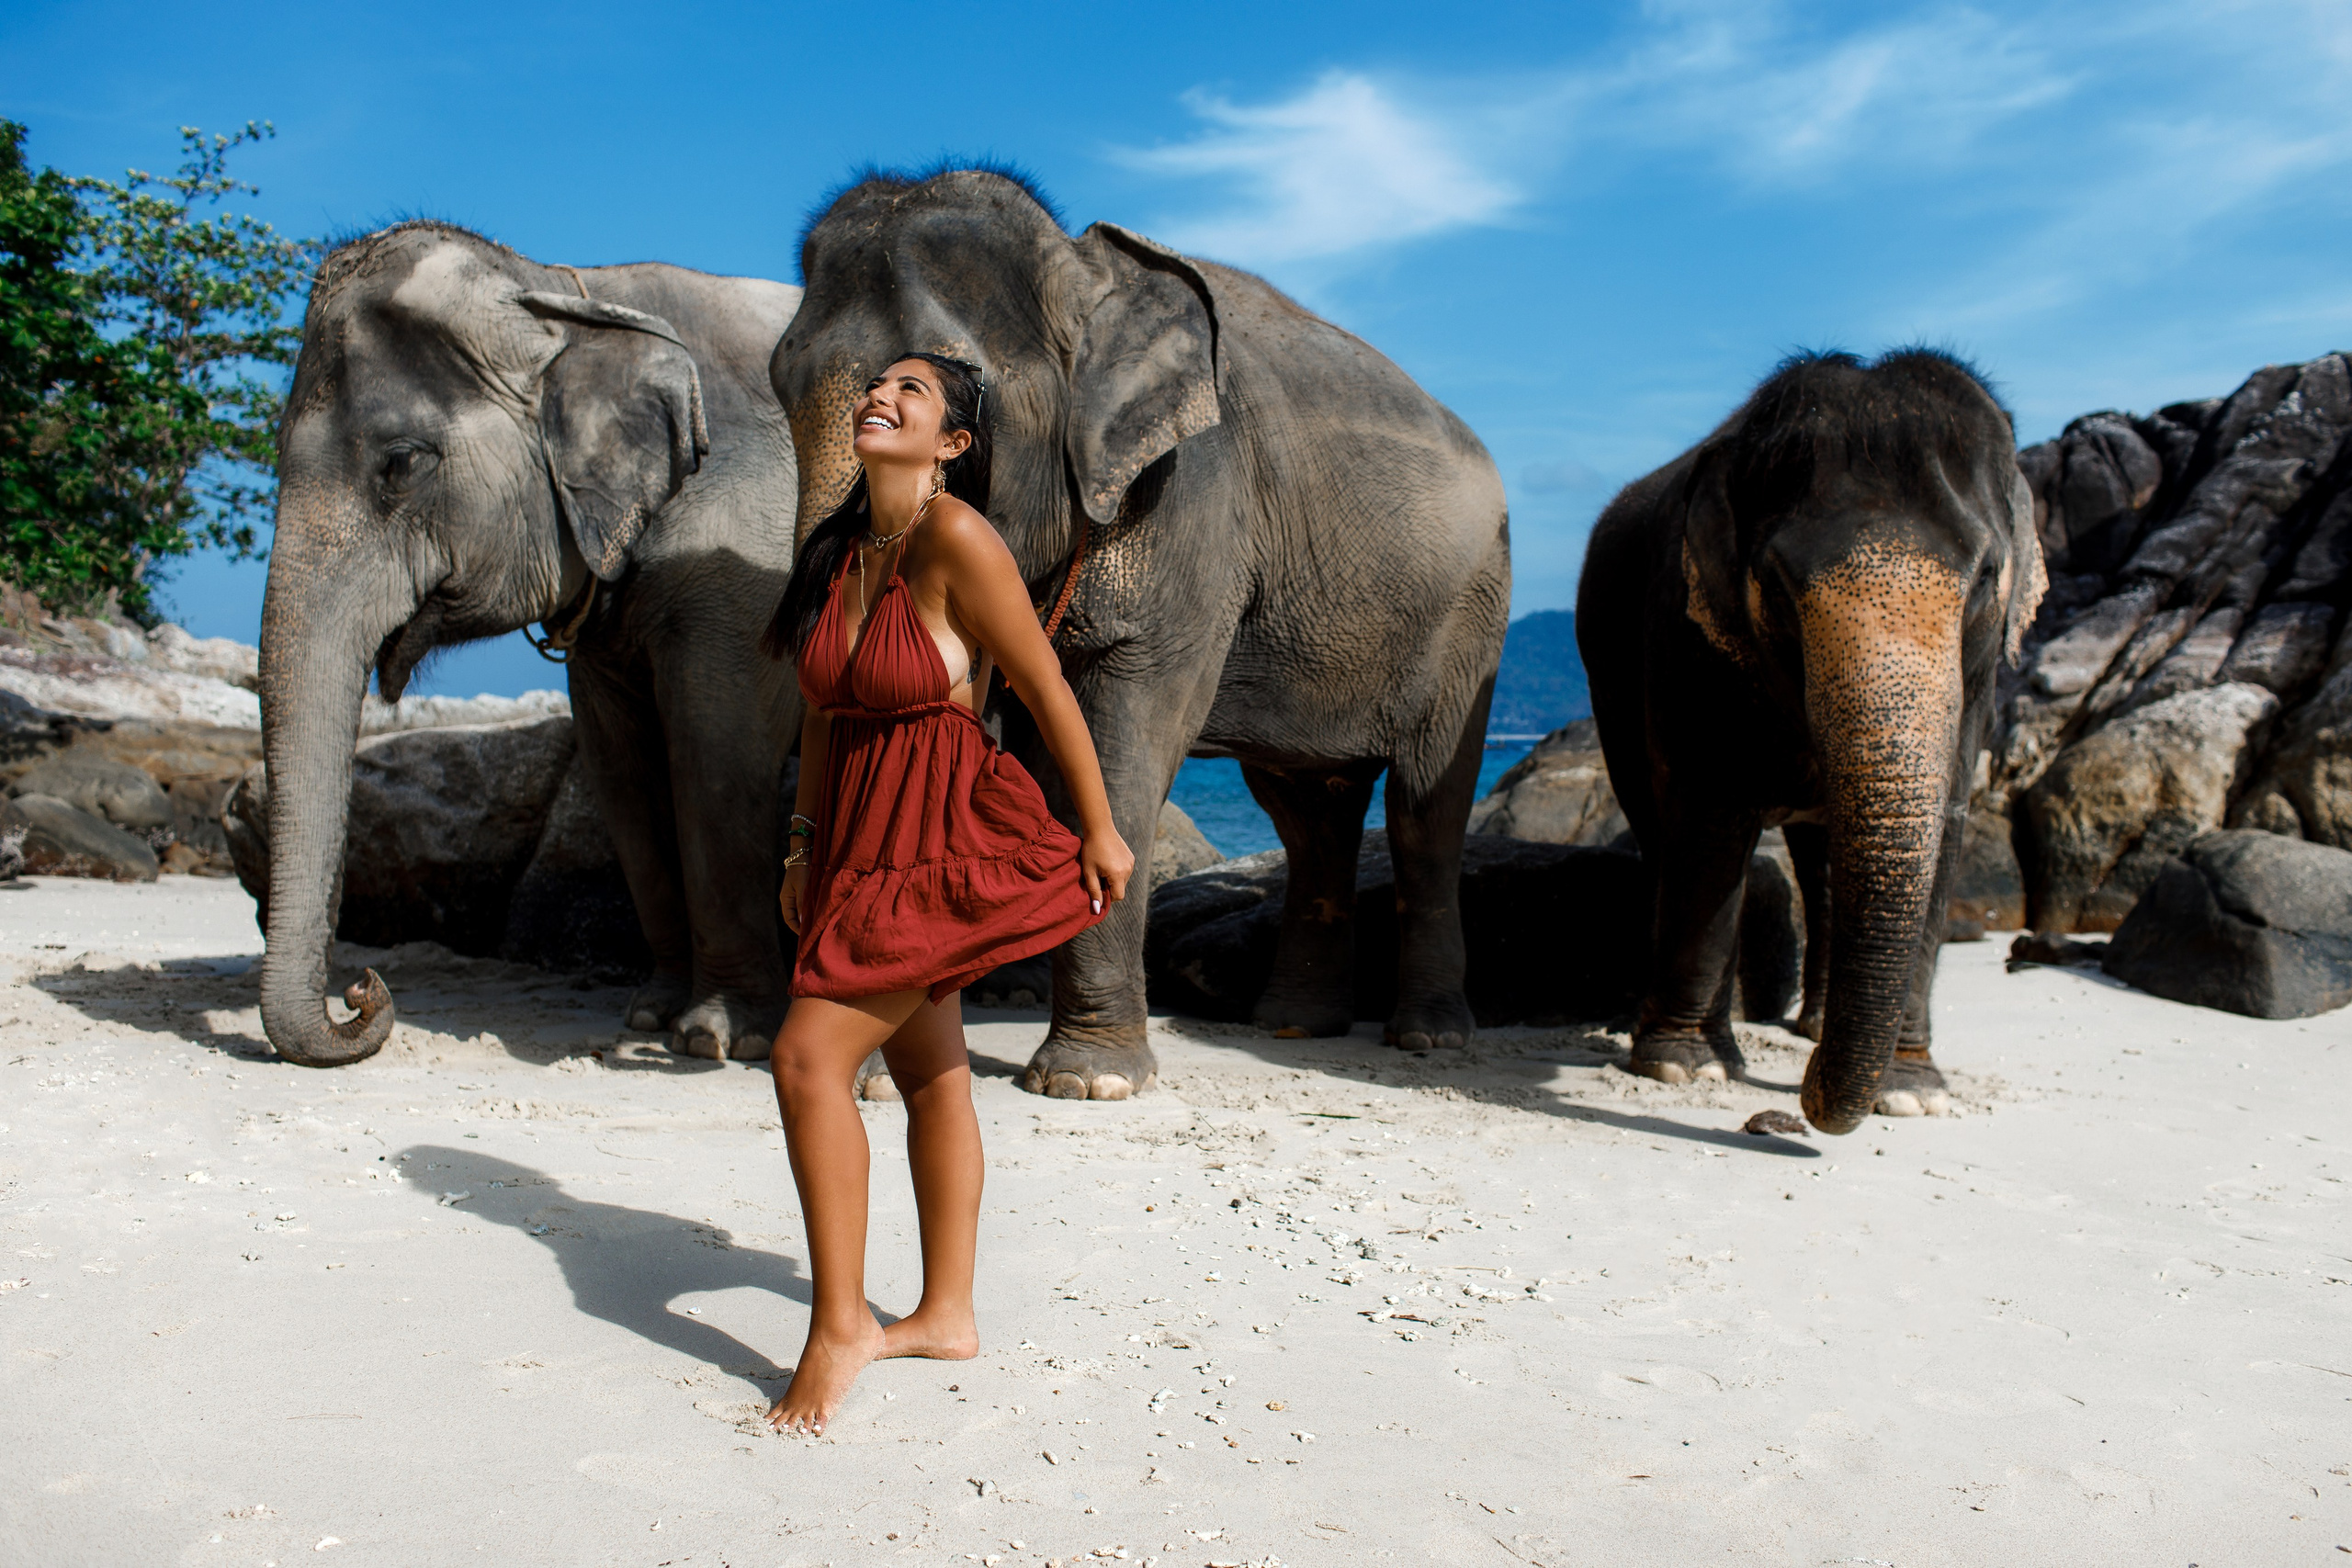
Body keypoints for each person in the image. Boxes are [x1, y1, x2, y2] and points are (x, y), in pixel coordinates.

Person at [759, 352, 1136, 1435]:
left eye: (909, 392)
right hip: (852, 842)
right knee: (930, 1071)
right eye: (878, 386)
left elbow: (1040, 678)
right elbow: (828, 716)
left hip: (938, 833)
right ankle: (947, 1313)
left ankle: (840, 1328)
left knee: (804, 1059)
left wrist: (1100, 825)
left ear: (953, 445)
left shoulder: (956, 540)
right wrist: (800, 847)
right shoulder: (841, 556)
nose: (881, 396)